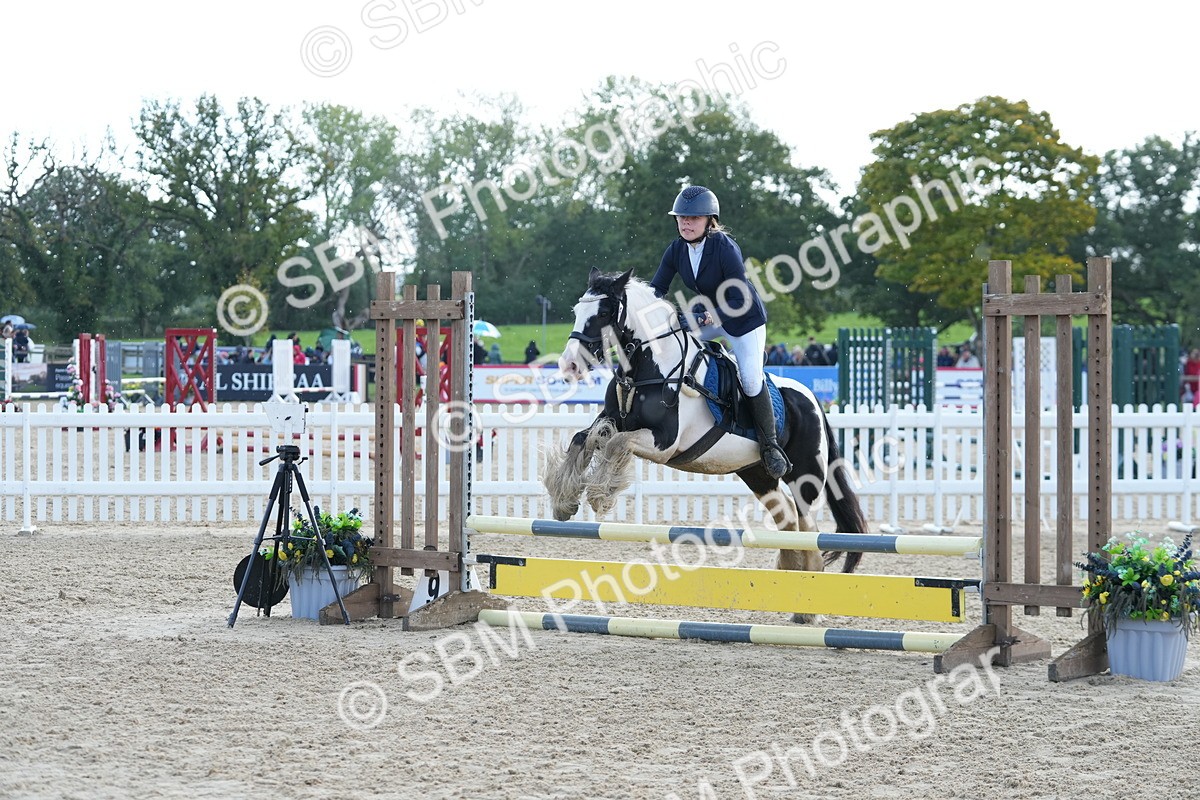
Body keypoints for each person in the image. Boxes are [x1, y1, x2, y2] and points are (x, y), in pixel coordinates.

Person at [649, 185, 790, 479]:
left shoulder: (724, 246)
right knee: (675, 347)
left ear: (709, 220)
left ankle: (771, 445)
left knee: (750, 379)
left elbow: (741, 298)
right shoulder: (676, 249)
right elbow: (656, 290)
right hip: (710, 318)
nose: (685, 223)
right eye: (681, 218)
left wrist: (700, 318)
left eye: (694, 218)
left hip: (743, 319)